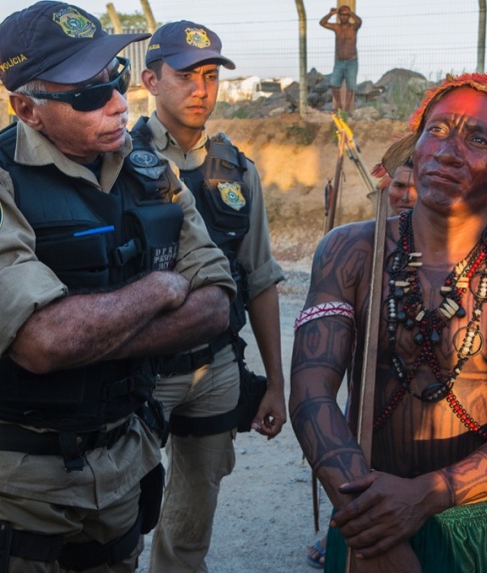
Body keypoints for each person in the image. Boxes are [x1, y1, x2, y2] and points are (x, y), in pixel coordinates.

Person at [0, 2, 235, 571]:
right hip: (22, 488)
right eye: (89, 93)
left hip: (123, 466)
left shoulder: (151, 173)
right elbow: (42, 342)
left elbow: (216, 304)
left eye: (115, 78)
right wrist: (159, 289)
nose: (119, 103)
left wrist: (88, 333)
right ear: (28, 108)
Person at [289, 70, 487, 572]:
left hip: (472, 525)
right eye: (436, 130)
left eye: (478, 139)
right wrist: (375, 527)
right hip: (362, 510)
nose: (447, 152)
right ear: (415, 150)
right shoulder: (351, 250)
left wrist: (425, 496)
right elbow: (311, 391)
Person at [136, 20, 287, 571]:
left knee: (190, 523)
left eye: (210, 75)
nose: (201, 89)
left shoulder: (237, 170)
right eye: (185, 75)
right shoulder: (114, 162)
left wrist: (276, 384)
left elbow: (260, 277)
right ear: (151, 80)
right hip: (137, 370)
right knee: (114, 515)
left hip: (217, 367)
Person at [305, 151, 418, 570]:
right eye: (399, 186)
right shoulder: (361, 247)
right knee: (352, 451)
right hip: (370, 389)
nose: (406, 196)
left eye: (416, 187)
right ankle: (345, 524)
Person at [320, 5, 362, 112]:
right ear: (339, 16)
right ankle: (338, 105)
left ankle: (346, 109)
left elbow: (359, 22)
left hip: (352, 60)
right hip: (339, 61)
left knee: (350, 85)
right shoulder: (337, 27)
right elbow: (322, 23)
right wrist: (330, 14)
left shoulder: (353, 27)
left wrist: (351, 12)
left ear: (349, 16)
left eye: (346, 15)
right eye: (342, 15)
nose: (344, 17)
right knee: (334, 83)